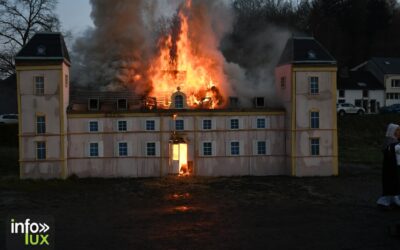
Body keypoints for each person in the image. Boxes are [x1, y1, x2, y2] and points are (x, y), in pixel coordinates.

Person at [377, 123, 400, 207]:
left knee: (397, 185)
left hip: (397, 167)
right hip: (391, 168)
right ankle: (384, 202)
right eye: (397, 130)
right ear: (392, 131)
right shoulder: (390, 143)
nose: (399, 132)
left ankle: (395, 201)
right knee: (391, 184)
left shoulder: (396, 142)